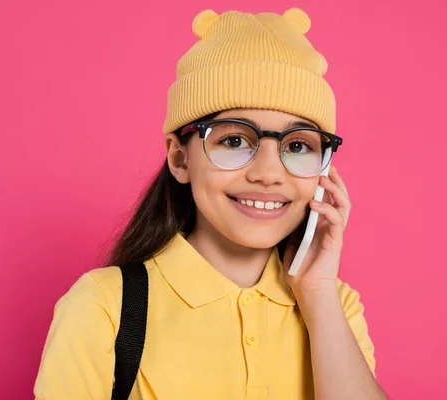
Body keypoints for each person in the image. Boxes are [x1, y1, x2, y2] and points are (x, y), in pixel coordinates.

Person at [34, 8, 388, 400]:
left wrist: (318, 294)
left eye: (298, 145)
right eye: (235, 140)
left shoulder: (336, 305)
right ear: (180, 159)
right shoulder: (103, 305)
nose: (269, 173)